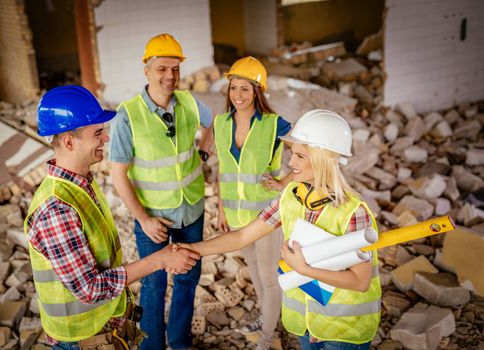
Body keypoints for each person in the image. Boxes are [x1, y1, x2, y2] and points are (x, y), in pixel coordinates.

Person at [180, 109, 381, 350]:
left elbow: (360, 281)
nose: (291, 162)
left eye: (300, 156)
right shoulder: (290, 197)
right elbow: (244, 235)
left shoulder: (353, 212)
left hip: (344, 331)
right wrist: (192, 249)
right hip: (306, 327)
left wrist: (304, 269)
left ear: (321, 158)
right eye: (292, 154)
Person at [25, 85, 200, 350]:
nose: (106, 138)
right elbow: (91, 289)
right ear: (70, 142)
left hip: (103, 327)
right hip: (82, 338)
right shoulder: (56, 209)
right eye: (97, 133)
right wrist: (160, 259)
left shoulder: (81, 183)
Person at [109, 33, 214, 350]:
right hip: (153, 218)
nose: (170, 76)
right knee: (153, 283)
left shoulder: (190, 103)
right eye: (162, 69)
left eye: (175, 69)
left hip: (192, 210)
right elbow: (118, 175)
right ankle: (150, 346)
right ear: (147, 70)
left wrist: (204, 153)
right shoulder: (129, 114)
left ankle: (180, 342)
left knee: (187, 281)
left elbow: (214, 124)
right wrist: (143, 219)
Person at [215, 56, 292, 349]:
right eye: (234, 88)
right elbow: (221, 170)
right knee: (256, 273)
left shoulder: (274, 124)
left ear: (258, 91)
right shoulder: (222, 123)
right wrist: (221, 208)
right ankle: (266, 318)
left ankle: (267, 339)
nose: (238, 95)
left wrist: (284, 182)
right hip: (236, 217)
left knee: (270, 278)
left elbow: (307, 153)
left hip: (267, 215)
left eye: (245, 89)